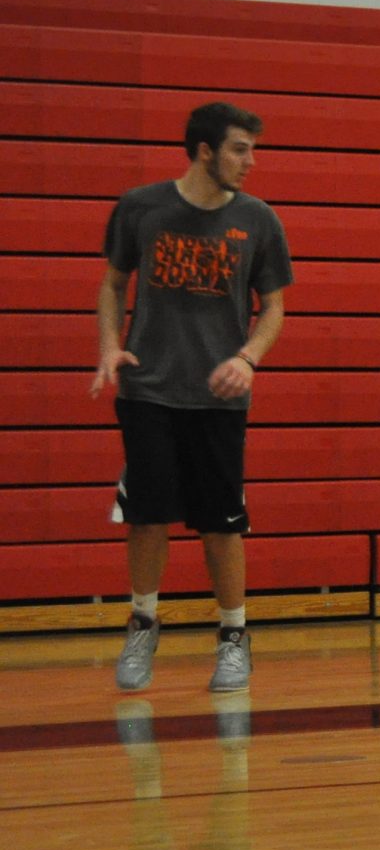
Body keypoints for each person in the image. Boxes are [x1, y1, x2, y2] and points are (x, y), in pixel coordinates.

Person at [92, 101, 293, 695]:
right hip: (148, 389)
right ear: (205, 151)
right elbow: (112, 282)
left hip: (219, 399)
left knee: (221, 523)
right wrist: (109, 346)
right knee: (147, 515)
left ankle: (233, 638)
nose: (251, 161)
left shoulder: (260, 221)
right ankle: (142, 622)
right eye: (240, 149)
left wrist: (247, 357)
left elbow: (274, 306)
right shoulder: (140, 207)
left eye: (253, 149)